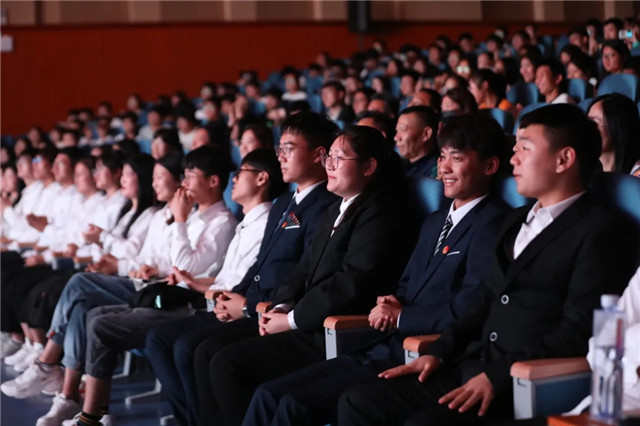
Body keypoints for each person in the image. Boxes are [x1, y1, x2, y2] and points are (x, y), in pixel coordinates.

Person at [336, 104, 639, 425]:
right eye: (515, 149)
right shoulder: (515, 220)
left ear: (563, 159)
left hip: (521, 381)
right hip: (469, 363)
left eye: (525, 148)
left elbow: (577, 331)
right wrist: (438, 352)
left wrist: (497, 375)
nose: (514, 159)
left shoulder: (601, 231)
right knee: (358, 402)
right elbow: (483, 302)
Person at [242, 113, 513, 426]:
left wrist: (402, 316)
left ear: (490, 166)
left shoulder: (494, 224)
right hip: (384, 344)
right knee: (269, 394)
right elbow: (407, 284)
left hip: (426, 349)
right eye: (441, 157)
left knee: (300, 404)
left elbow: (470, 307)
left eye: (457, 158)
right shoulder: (435, 220)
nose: (444, 168)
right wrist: (390, 303)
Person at [207, 125, 412, 426]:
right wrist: (281, 306)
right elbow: (303, 269)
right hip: (309, 319)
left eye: (339, 158)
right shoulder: (335, 208)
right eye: (329, 157)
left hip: (340, 329)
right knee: (223, 359)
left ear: (369, 166)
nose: (329, 165)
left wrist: (292, 319)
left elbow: (350, 282)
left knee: (232, 365)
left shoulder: (379, 210)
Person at [144, 112, 338, 426]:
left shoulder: (327, 205)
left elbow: (303, 273)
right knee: (186, 346)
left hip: (274, 311)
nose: (281, 156)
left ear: (319, 155)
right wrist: (234, 296)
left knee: (209, 354)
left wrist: (249, 305)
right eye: (280, 149)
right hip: (254, 302)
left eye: (289, 149)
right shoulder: (284, 202)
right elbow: (261, 264)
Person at [65, 149, 284, 426]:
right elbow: (199, 271)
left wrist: (180, 226)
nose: (185, 183)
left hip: (197, 303)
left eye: (190, 176)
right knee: (93, 311)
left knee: (118, 323)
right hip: (183, 292)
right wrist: (188, 278)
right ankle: (91, 406)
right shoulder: (233, 221)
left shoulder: (226, 223)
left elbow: (189, 266)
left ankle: (184, 418)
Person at [587, 93, 640, 174]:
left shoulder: (637, 174)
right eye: (586, 121)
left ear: (618, 128)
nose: (586, 127)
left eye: (594, 123)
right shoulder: (585, 170)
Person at [394, 106, 440, 178]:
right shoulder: (398, 167)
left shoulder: (437, 171)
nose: (396, 138)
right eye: (397, 131)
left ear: (426, 134)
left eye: (402, 130)